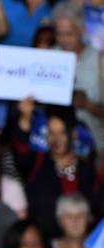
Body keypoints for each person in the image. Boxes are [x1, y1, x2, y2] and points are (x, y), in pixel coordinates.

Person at [12, 100, 96, 240]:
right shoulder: (36, 163)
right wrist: (26, 117)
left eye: (62, 132)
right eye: (51, 132)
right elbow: (21, 147)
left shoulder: (87, 170)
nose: (56, 138)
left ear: (74, 135)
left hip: (83, 246)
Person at [53, 2, 104, 152]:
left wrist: (87, 104)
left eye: (69, 34)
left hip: (95, 145)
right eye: (59, 34)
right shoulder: (50, 57)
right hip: (57, 147)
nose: (63, 40)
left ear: (82, 30)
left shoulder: (99, 59)